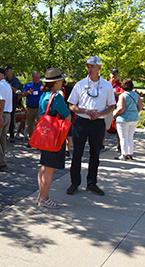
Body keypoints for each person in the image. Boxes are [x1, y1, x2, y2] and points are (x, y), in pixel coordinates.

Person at [67, 56, 116, 196]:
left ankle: (91, 183)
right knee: (77, 154)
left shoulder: (107, 85)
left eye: (92, 66)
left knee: (95, 154)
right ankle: (74, 183)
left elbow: (112, 106)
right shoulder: (80, 84)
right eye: (88, 66)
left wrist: (100, 113)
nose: (89, 69)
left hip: (98, 123)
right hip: (82, 122)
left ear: (99, 67)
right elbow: (72, 105)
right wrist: (85, 111)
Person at [37, 68, 71, 209]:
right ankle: (44, 197)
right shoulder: (56, 97)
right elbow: (67, 115)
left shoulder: (44, 95)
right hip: (54, 136)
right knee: (50, 169)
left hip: (44, 135)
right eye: (61, 80)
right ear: (57, 82)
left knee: (44, 166)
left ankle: (41, 196)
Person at [113, 79, 143, 160]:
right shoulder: (136, 95)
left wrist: (114, 114)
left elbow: (121, 109)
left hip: (123, 119)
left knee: (123, 137)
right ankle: (130, 154)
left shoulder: (122, 95)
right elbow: (140, 106)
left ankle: (123, 155)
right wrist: (134, 112)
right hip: (134, 118)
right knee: (130, 137)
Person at [102, 68, 124, 150]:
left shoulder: (120, 84)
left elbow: (121, 94)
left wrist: (111, 93)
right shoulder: (105, 84)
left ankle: (119, 145)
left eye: (116, 74)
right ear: (110, 74)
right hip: (107, 108)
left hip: (116, 108)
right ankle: (102, 144)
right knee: (105, 127)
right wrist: (115, 94)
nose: (114, 76)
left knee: (118, 127)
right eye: (113, 74)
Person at [21, 71, 43, 142]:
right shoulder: (27, 85)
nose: (37, 79)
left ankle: (37, 140)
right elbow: (22, 94)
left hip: (38, 108)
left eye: (38, 78)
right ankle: (30, 139)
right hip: (29, 109)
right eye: (35, 77)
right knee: (30, 125)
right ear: (32, 78)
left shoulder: (41, 86)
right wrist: (27, 92)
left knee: (38, 124)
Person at [58, 79, 74, 160]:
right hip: (70, 111)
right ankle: (68, 151)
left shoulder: (61, 89)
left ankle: (61, 150)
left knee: (62, 132)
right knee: (69, 134)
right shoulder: (71, 89)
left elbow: (61, 98)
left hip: (63, 111)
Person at [5, 65, 20, 143]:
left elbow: (15, 90)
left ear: (11, 71)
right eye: (5, 71)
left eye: (7, 71)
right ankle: (3, 134)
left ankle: (11, 135)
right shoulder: (4, 79)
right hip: (5, 99)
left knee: (11, 117)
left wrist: (8, 85)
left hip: (12, 99)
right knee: (4, 116)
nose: (6, 72)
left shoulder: (15, 80)